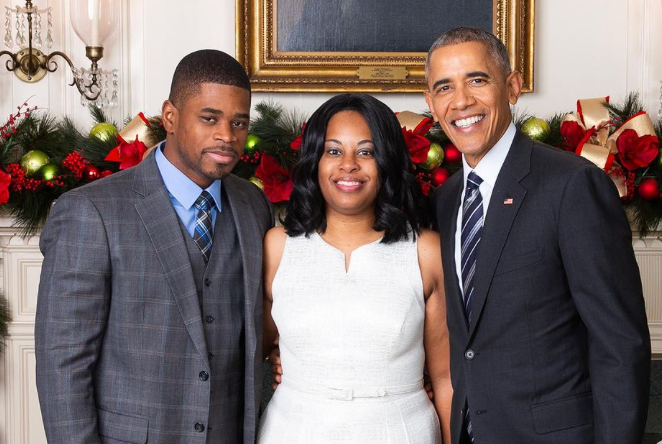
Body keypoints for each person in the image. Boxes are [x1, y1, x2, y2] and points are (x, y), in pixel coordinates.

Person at [425, 27, 651, 444]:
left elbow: (620, 343)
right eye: (444, 87)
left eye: (477, 80)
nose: (461, 101)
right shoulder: (446, 199)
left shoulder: (572, 185)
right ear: (431, 105)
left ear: (511, 86)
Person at [35, 50, 273, 444]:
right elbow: (62, 365)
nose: (227, 136)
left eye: (239, 122)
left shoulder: (253, 205)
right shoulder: (90, 211)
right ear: (171, 116)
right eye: (210, 118)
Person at [257, 93, 453, 444]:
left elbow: (445, 378)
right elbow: (258, 341)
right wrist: (277, 354)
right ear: (315, 161)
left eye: (366, 151)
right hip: (293, 429)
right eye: (333, 151)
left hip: (402, 430)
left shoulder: (425, 251)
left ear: (387, 162)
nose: (348, 164)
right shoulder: (277, 247)